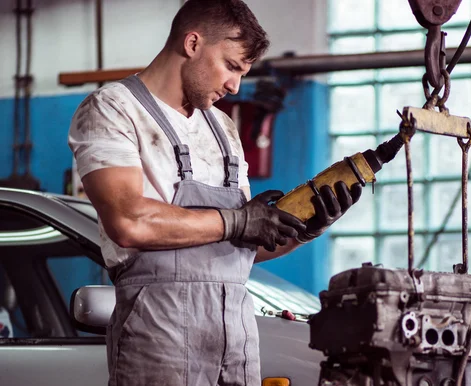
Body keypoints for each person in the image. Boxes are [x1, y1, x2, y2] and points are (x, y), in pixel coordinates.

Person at [68, 0, 362, 385]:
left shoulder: (223, 128)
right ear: (192, 43)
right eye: (231, 66)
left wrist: (301, 230)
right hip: (160, 328)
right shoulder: (113, 109)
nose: (235, 85)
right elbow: (128, 221)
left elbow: (238, 250)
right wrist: (240, 220)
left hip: (235, 334)